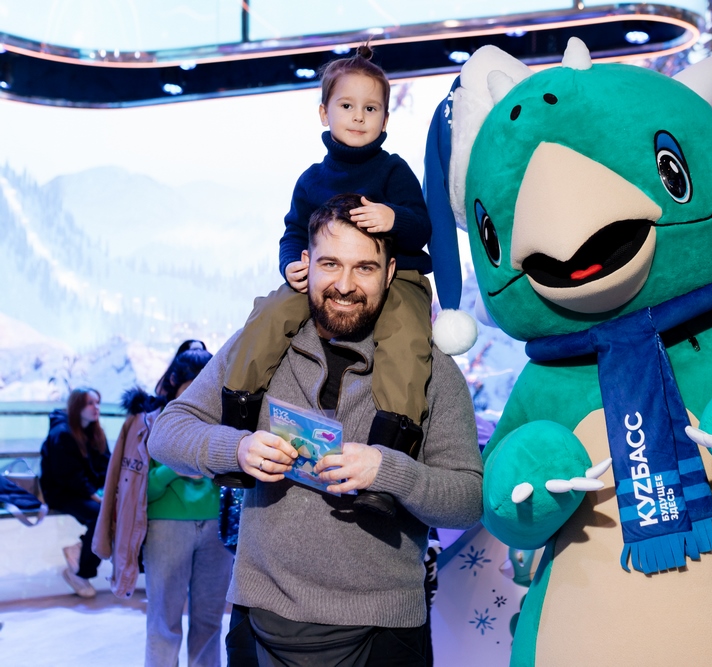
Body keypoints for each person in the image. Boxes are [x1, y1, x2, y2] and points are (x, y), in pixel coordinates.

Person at [147, 194, 482, 666]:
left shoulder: (434, 371)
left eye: (364, 268)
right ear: (306, 263)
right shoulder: (257, 347)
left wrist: (390, 471)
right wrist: (237, 448)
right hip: (260, 621)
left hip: (383, 630)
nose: (344, 285)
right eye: (330, 264)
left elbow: (468, 500)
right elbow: (166, 432)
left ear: (390, 273)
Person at [219, 45, 434, 518]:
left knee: (406, 339)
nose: (358, 116)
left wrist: (393, 217)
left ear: (385, 119)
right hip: (320, 279)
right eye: (347, 105)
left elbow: (423, 227)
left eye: (371, 109)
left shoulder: (394, 171)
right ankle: (238, 424)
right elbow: (293, 232)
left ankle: (385, 464)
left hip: (399, 276)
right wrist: (289, 265)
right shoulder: (311, 179)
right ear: (324, 112)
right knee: (270, 312)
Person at [96, 348, 234, 666]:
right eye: (193, 384)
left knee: (210, 623)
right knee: (163, 624)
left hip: (216, 529)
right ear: (174, 382)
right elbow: (139, 492)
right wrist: (177, 465)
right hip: (166, 529)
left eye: (207, 383)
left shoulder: (222, 419)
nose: (201, 392)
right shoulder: (151, 422)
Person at [40, 387, 110, 598]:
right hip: (62, 492)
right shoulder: (62, 433)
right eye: (90, 403)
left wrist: (107, 492)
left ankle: (79, 550)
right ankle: (81, 572)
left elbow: (106, 465)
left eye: (97, 403)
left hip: (84, 490)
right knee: (100, 516)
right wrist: (95, 495)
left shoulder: (95, 432)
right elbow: (68, 476)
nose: (96, 408)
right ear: (77, 406)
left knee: (111, 512)